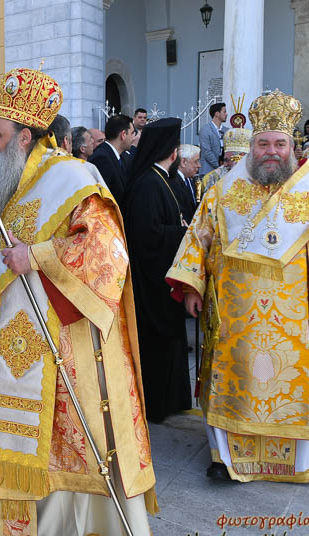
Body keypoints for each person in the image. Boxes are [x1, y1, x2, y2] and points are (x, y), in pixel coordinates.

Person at [0, 67, 157, 536]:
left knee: (75, 443)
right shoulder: (17, 180)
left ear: (25, 136)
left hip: (67, 342)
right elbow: (7, 251)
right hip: (21, 341)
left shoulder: (74, 178)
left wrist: (37, 256)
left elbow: (106, 254)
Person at [166, 90, 309, 483]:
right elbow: (199, 236)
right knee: (236, 381)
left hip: (295, 320)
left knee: (288, 382)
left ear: (292, 147)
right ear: (252, 147)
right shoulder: (224, 189)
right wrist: (193, 286)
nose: (271, 152)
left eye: (279, 144)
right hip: (235, 317)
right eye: (263, 144)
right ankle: (227, 459)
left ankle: (298, 461)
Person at [123, 118, 192, 423]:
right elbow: (146, 236)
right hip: (151, 279)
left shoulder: (160, 178)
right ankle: (156, 404)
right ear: (173, 152)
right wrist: (182, 232)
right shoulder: (148, 184)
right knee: (158, 343)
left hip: (164, 275)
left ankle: (172, 400)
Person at [88, 114, 134, 205]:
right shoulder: (101, 158)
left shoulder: (123, 157)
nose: (133, 138)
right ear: (123, 134)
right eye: (132, 133)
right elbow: (102, 199)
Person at [200, 126, 252, 194]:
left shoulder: (256, 177)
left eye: (228, 161)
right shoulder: (213, 177)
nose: (225, 164)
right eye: (225, 160)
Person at [173, 143, 201, 224]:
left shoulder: (191, 179)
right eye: (196, 161)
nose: (199, 165)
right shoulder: (173, 182)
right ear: (183, 162)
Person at [199, 102, 227, 175]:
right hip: (208, 171)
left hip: (225, 171)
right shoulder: (205, 130)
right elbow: (206, 151)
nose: (226, 114)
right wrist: (219, 166)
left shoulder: (227, 131)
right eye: (224, 112)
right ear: (217, 114)